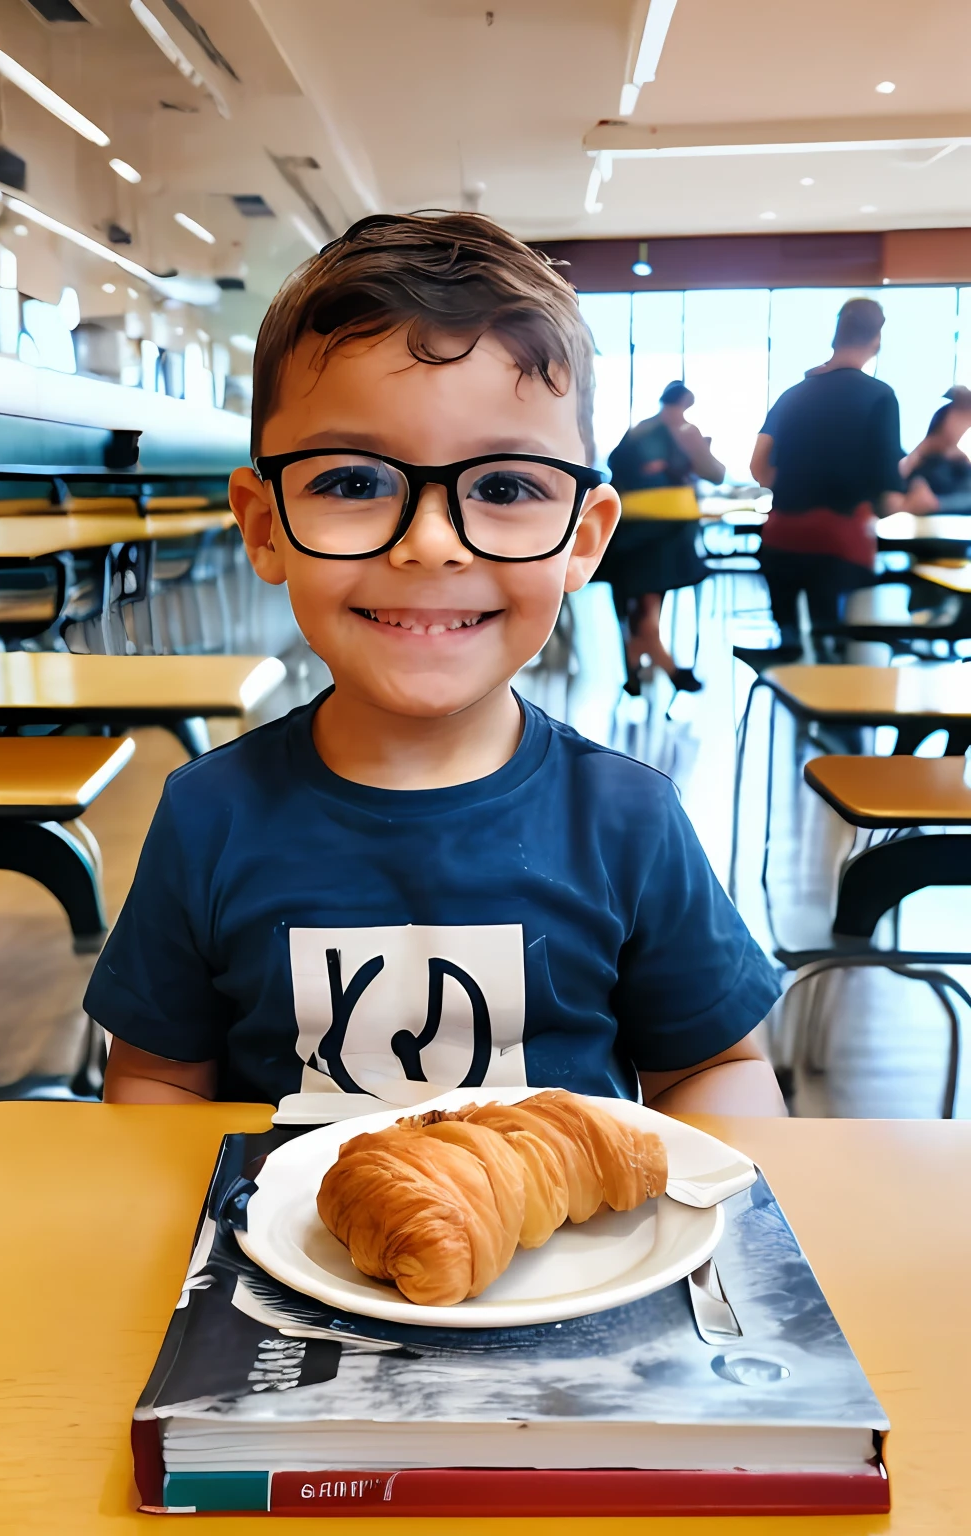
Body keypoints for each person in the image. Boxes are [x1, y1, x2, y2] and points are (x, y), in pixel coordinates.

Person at [89, 211, 784, 1117]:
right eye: (351, 482)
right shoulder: (209, 815)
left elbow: (713, 1067)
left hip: (573, 1257)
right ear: (265, 527)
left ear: (584, 539)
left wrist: (721, 1225)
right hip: (281, 1256)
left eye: (503, 488)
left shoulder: (625, 819)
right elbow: (159, 1077)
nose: (429, 543)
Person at [750, 297, 904, 659]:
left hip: (781, 540)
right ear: (876, 340)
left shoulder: (794, 395)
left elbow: (758, 467)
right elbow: (887, 496)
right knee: (838, 645)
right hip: (841, 545)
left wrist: (797, 483)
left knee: (790, 642)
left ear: (835, 337)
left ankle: (791, 688)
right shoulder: (880, 397)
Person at [597, 382, 725, 693]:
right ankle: (668, 668)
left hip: (630, 527)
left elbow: (616, 469)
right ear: (684, 403)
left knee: (638, 603)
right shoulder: (684, 433)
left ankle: (635, 667)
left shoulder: (638, 431)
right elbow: (716, 474)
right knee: (649, 604)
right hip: (665, 529)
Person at [900, 387, 971, 511]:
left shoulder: (960, 462)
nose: (964, 427)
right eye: (962, 419)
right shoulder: (919, 456)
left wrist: (937, 503)